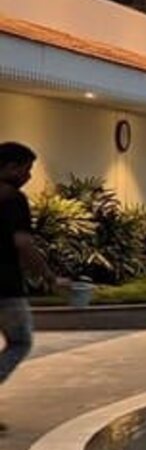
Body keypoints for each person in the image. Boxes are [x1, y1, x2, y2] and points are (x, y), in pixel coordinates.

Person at [0, 142, 62, 418]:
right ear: (10, 167)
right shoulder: (12, 198)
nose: (29, 176)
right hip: (5, 286)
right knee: (20, 341)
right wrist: (47, 276)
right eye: (27, 169)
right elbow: (23, 244)